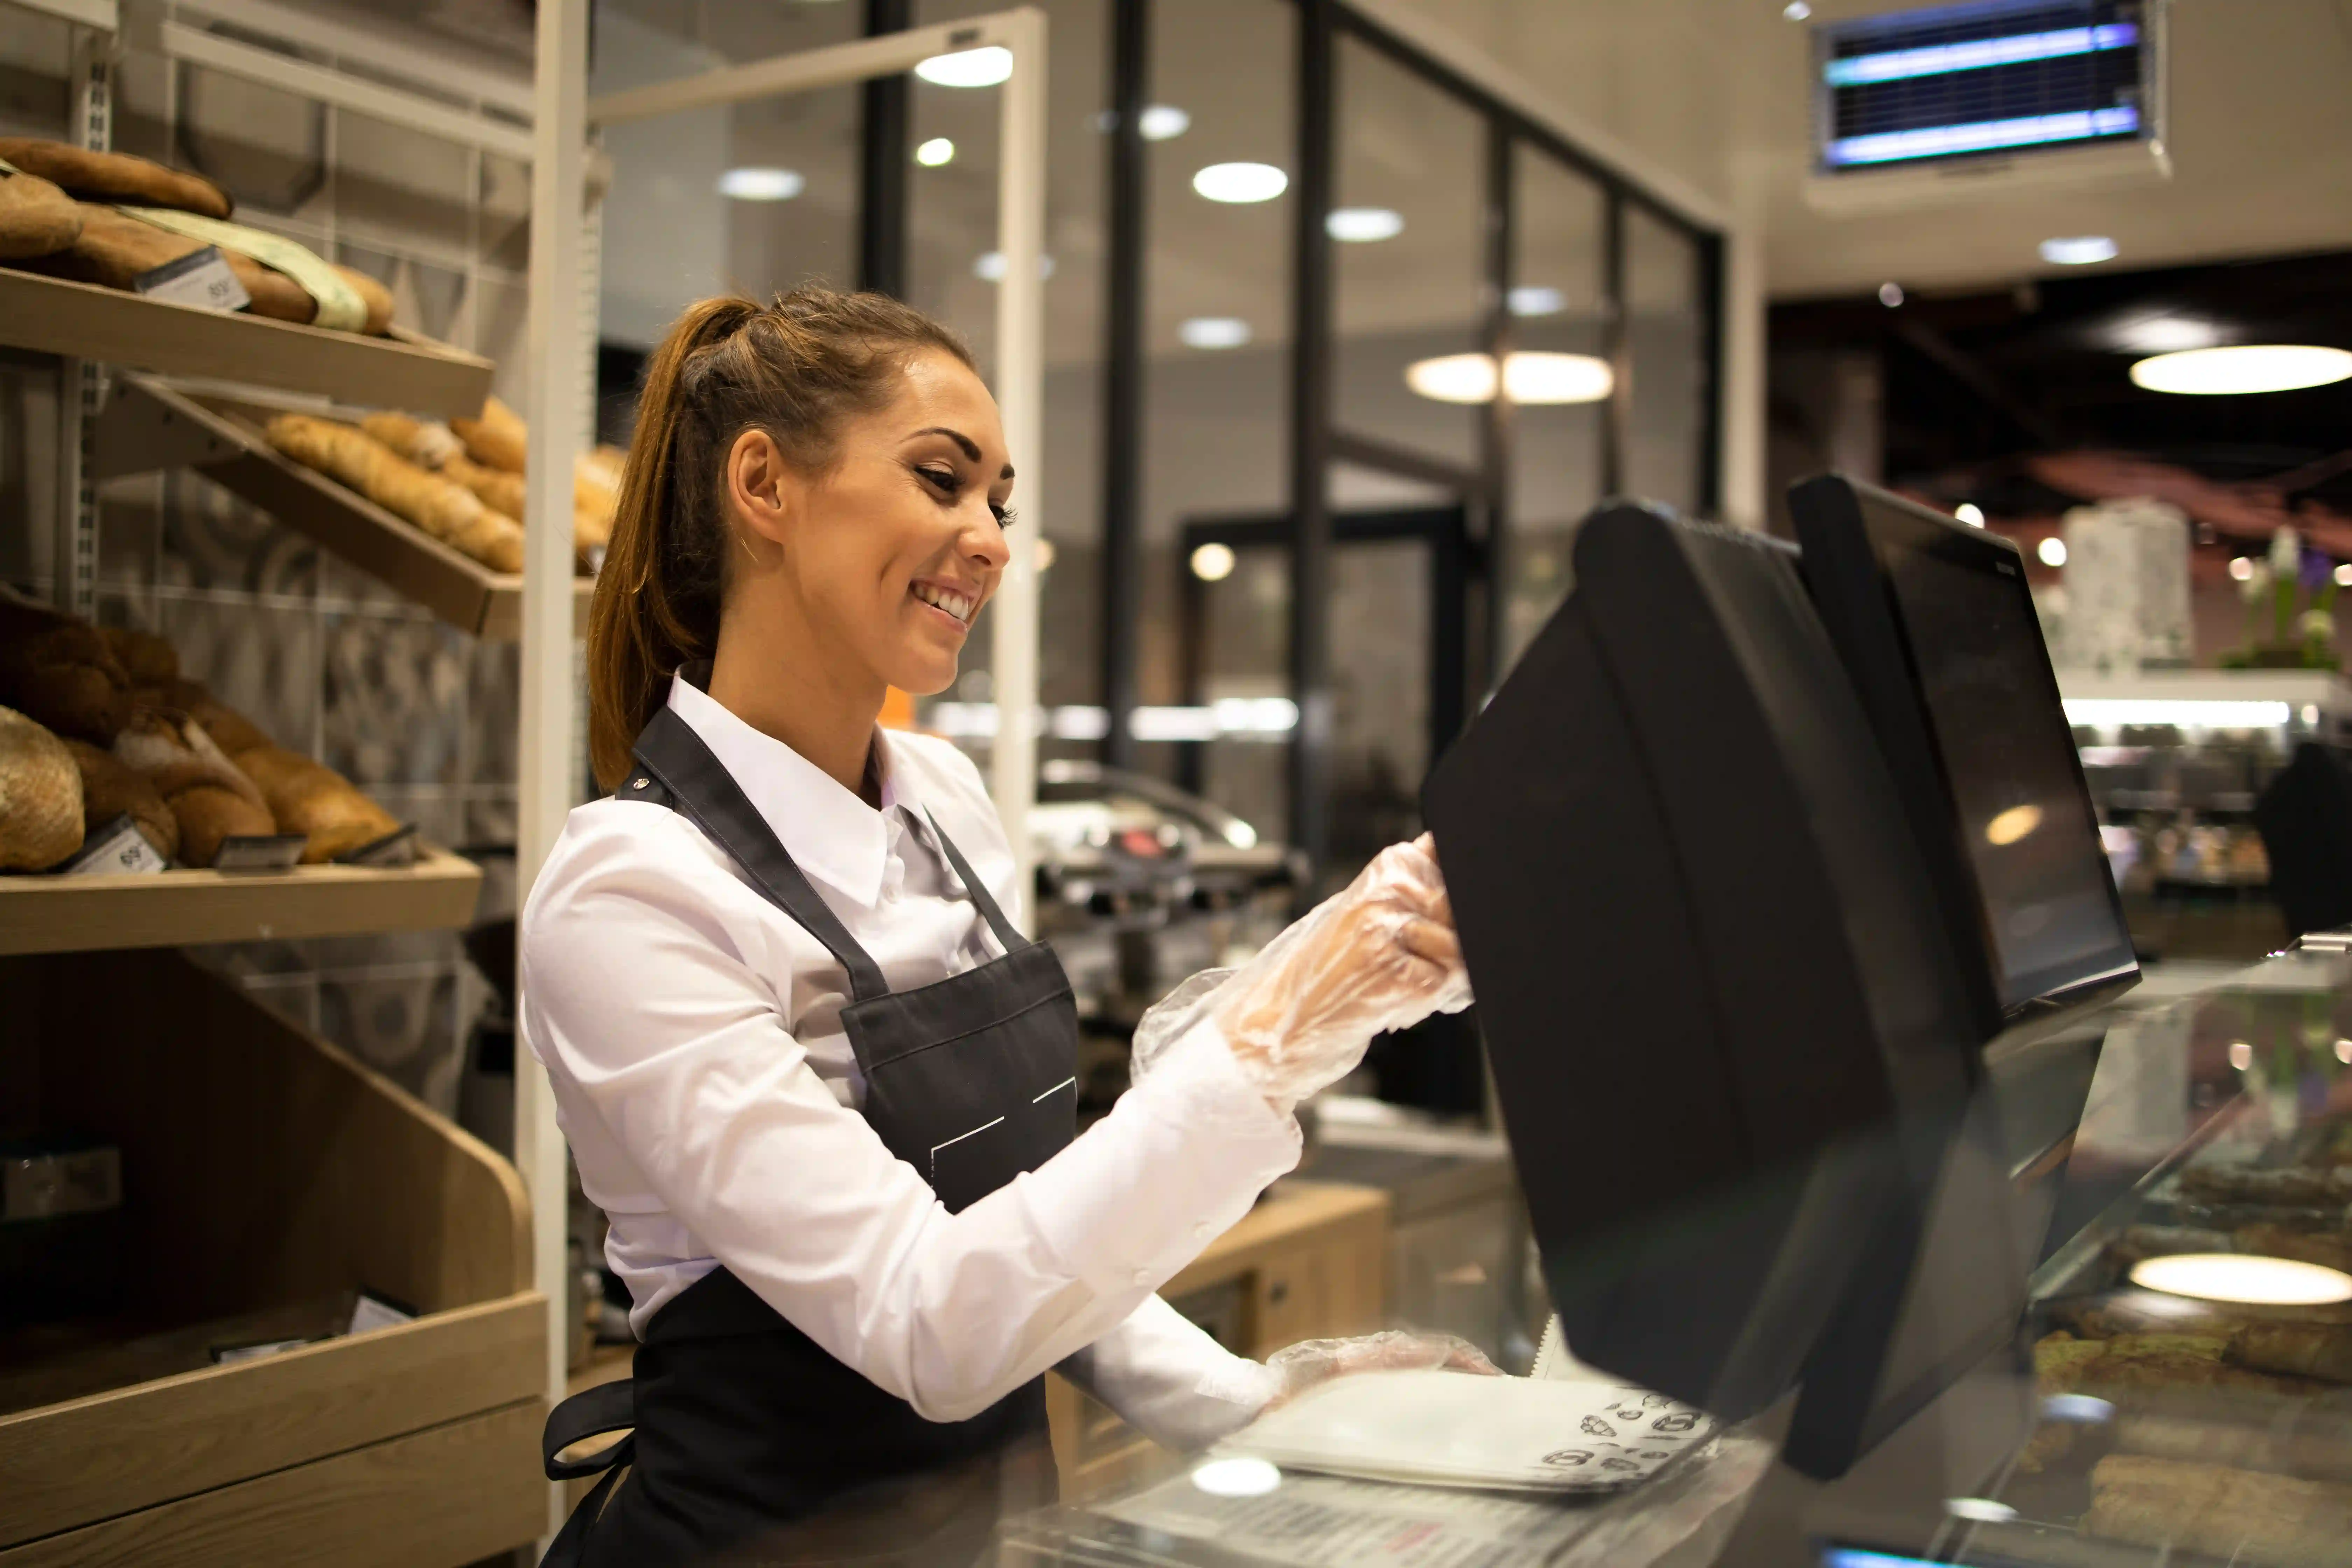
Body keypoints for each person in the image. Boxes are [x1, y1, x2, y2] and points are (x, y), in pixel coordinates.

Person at [521, 286, 1486, 1567]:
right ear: (764, 485)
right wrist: (1261, 1039)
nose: (988, 540)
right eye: (942, 480)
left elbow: (1024, 1233)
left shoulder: (946, 808)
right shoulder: (633, 894)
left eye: (1000, 505)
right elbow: (935, 1324)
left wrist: (1245, 1404)